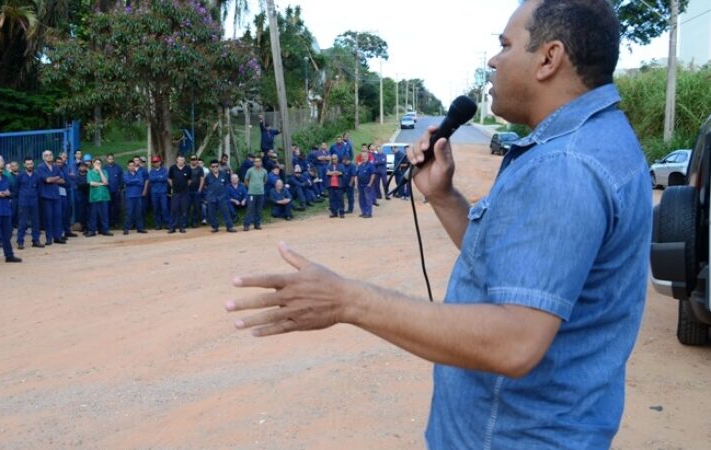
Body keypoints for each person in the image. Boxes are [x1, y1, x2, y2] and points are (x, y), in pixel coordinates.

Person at [226, 1, 652, 447]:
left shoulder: (566, 164)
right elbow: (514, 275)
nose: (493, 59)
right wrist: (443, 197)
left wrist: (347, 301)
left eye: (505, 45)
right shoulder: (592, 140)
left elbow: (516, 342)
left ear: (549, 58)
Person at [38, 150, 66, 245]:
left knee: (58, 216)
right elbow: (47, 180)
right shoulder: (40, 167)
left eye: (50, 154)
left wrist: (53, 179)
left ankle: (57, 237)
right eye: (46, 155)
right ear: (43, 157)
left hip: (56, 195)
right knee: (48, 217)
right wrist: (55, 178)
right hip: (46, 196)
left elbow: (62, 181)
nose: (49, 156)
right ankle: (49, 238)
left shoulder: (55, 167)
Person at [16, 156, 43, 249]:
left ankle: (36, 240)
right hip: (23, 202)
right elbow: (16, 188)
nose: (30, 165)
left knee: (36, 222)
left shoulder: (37, 175)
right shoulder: (20, 176)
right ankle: (20, 241)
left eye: (31, 163)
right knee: (22, 223)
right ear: (24, 165)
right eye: (27, 164)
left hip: (34, 201)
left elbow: (39, 189)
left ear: (33, 164)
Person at [204, 159, 236, 233]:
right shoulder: (208, 176)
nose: (215, 168)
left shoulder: (224, 174)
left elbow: (226, 184)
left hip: (222, 197)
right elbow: (205, 186)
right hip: (211, 197)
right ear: (210, 167)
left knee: (226, 212)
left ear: (218, 166)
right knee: (211, 213)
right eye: (213, 166)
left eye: (216, 166)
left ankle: (229, 227)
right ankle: (215, 227)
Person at [87, 158, 113, 236]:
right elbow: (91, 183)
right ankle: (92, 230)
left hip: (104, 196)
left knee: (104, 214)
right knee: (93, 215)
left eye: (99, 163)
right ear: (93, 164)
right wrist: (101, 184)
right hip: (94, 197)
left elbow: (105, 181)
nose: (98, 165)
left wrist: (100, 171)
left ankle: (105, 230)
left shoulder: (104, 171)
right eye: (96, 163)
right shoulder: (90, 173)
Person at [123, 159, 148, 234]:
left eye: (133, 165)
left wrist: (132, 181)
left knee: (138, 212)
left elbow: (141, 182)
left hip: (138, 196)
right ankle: (126, 228)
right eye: (130, 165)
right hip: (129, 196)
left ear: (135, 166)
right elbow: (126, 181)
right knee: (129, 213)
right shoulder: (125, 174)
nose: (131, 167)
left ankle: (140, 228)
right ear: (127, 166)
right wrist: (135, 180)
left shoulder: (139, 173)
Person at [167, 155, 191, 234]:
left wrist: (185, 186)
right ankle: (172, 227)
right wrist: (173, 186)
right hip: (175, 193)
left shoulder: (188, 168)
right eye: (180, 160)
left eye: (182, 160)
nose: (181, 161)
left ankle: (182, 227)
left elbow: (189, 180)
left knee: (183, 210)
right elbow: (169, 179)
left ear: (184, 161)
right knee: (174, 209)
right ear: (177, 160)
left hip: (184, 192)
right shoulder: (172, 168)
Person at [242, 156, 267, 232]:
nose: (257, 163)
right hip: (252, 193)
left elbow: (265, 180)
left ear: (261, 162)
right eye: (255, 161)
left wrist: (260, 186)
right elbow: (246, 179)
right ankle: (246, 225)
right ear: (254, 163)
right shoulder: (250, 170)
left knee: (259, 209)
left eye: (259, 161)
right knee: (250, 209)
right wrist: (249, 187)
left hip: (261, 193)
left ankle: (257, 224)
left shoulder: (264, 171)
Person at [148, 156, 169, 230]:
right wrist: (159, 177)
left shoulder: (164, 170)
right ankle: (158, 224)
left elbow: (165, 178)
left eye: (156, 161)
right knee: (156, 209)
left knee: (164, 208)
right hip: (154, 192)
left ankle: (167, 224)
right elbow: (151, 179)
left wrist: (157, 178)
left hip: (163, 192)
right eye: (154, 162)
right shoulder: (151, 171)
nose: (155, 163)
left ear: (160, 162)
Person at [105, 154, 124, 228]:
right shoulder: (104, 168)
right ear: (107, 159)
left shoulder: (118, 168)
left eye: (112, 159)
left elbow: (121, 179)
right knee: (108, 207)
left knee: (117, 207)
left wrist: (120, 188)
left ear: (114, 159)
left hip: (116, 191)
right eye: (109, 159)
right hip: (107, 191)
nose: (110, 160)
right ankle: (109, 222)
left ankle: (116, 222)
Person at [356, 150, 376, 218]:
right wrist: (357, 184)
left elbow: (373, 174)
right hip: (360, 185)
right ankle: (363, 212)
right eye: (362, 157)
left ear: (368, 157)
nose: (363, 158)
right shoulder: (360, 165)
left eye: (365, 156)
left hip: (367, 185)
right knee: (361, 199)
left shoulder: (371, 165)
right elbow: (357, 175)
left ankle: (369, 213)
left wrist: (370, 183)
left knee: (368, 199)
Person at [187, 155, 205, 228]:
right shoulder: (187, 168)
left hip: (196, 190)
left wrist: (200, 189)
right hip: (188, 191)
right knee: (187, 207)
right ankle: (186, 222)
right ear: (190, 160)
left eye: (195, 159)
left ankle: (194, 222)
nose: (193, 160)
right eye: (192, 159)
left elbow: (202, 179)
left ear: (197, 160)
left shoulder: (200, 169)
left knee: (196, 207)